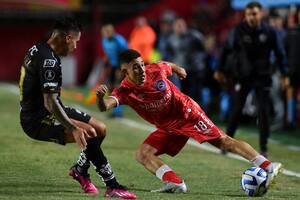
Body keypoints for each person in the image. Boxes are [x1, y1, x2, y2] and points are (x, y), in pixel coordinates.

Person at [96, 49, 282, 193]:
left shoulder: (155, 70)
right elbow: (105, 106)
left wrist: (179, 70)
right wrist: (99, 98)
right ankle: (175, 182)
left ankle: (267, 165)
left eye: (142, 64)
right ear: (124, 70)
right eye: (135, 67)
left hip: (187, 113)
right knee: (143, 154)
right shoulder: (124, 92)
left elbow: (168, 65)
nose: (141, 70)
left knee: (223, 142)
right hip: (168, 127)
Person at [19, 17, 136, 199]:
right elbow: (49, 103)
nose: (75, 47)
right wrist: (73, 127)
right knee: (87, 132)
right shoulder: (49, 61)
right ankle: (112, 185)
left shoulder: (39, 49)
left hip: (50, 109)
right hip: (37, 119)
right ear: (67, 38)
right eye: (76, 42)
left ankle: (80, 170)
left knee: (100, 129)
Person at [214, 1, 289, 157]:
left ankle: (263, 146)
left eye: (254, 13)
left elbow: (280, 54)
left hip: (263, 76)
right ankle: (226, 143)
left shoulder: (270, 32)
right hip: (243, 76)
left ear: (261, 14)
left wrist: (285, 74)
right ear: (245, 15)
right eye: (248, 14)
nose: (251, 17)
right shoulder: (238, 31)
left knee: (263, 111)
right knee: (237, 109)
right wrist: (219, 70)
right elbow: (226, 50)